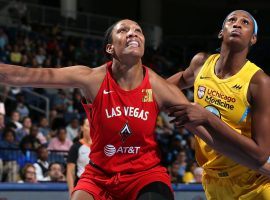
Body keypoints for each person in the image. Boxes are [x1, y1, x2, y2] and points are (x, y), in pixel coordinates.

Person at [0, 19, 189, 199]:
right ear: (110, 48)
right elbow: (24, 75)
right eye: (123, 30)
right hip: (100, 176)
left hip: (145, 175)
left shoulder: (157, 85)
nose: (133, 33)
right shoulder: (92, 79)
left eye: (138, 30)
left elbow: (202, 124)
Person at [167, 10, 270, 199]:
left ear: (253, 39)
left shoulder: (259, 81)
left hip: (254, 183)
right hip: (212, 181)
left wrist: (207, 118)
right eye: (231, 20)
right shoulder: (200, 64)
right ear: (221, 32)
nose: (237, 24)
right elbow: (163, 88)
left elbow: (261, 154)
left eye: (245, 22)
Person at [66, 118, 91, 196]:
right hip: (82, 185)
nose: (91, 128)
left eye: (92, 125)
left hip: (98, 185)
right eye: (88, 126)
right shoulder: (76, 147)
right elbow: (70, 171)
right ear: (82, 128)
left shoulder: (101, 147)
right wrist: (71, 190)